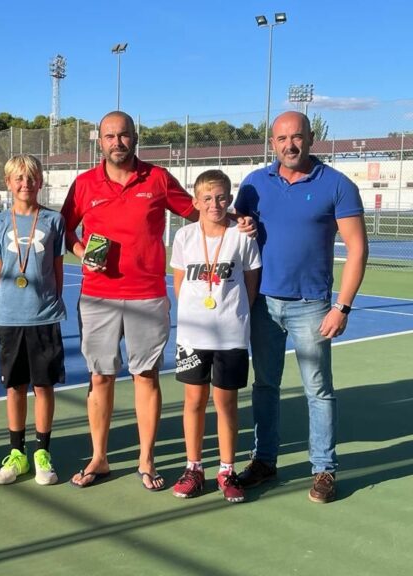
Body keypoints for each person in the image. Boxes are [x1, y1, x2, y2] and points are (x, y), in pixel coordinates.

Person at [61, 111, 255, 490]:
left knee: (145, 376)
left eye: (124, 135)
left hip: (147, 296)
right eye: (110, 136)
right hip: (98, 297)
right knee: (100, 377)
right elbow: (66, 228)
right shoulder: (84, 184)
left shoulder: (158, 178)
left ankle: (145, 460)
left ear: (136, 138)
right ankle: (99, 458)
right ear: (100, 141)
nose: (117, 142)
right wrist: (82, 250)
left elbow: (198, 208)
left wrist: (237, 219)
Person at [234, 111, 368, 503]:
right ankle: (264, 460)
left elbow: (357, 249)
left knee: (318, 391)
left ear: (311, 139)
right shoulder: (255, 183)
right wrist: (238, 224)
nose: (289, 145)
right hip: (262, 305)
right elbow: (236, 226)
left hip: (312, 306)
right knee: (264, 386)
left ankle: (324, 468)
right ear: (271, 142)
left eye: (297, 137)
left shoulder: (337, 186)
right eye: (281, 138)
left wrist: (341, 307)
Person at [170, 170, 261, 503]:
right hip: (193, 334)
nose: (215, 204)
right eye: (207, 198)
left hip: (231, 334)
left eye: (222, 197)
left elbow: (251, 284)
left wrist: (232, 314)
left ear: (230, 200)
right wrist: (198, 314)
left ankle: (226, 469)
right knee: (193, 402)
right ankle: (194, 468)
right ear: (195, 202)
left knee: (226, 404)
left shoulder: (242, 235)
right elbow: (180, 284)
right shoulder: (184, 237)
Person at [0, 155, 66, 486]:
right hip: (9, 317)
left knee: (43, 386)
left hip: (44, 316)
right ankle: (16, 453)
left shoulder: (53, 221)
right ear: (8, 182)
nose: (25, 183)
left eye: (31, 178)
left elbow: (57, 271)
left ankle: (42, 453)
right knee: (15, 387)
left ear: (40, 181)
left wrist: (48, 303)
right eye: (18, 178)